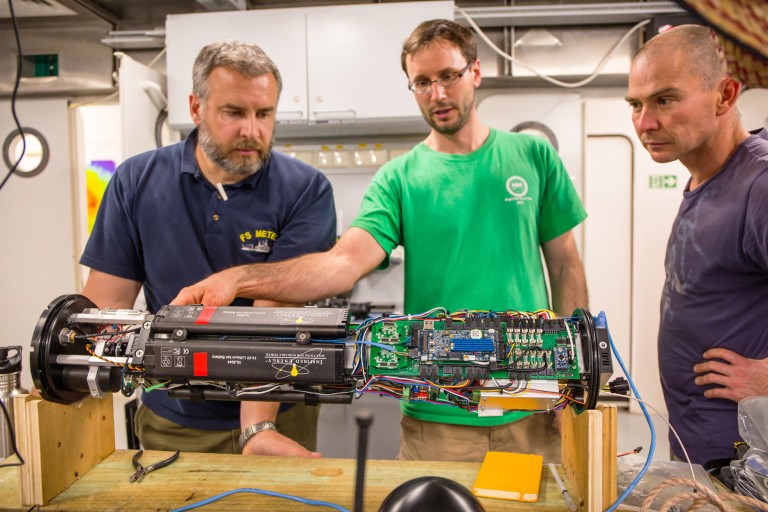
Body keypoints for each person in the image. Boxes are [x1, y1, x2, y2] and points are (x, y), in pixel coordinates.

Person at [173, 20, 588, 463]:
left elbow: (566, 268)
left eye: (448, 76)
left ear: (476, 72)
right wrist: (240, 279)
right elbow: (344, 264)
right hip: (439, 413)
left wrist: (575, 380)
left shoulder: (533, 156)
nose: (438, 94)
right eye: (422, 83)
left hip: (532, 402)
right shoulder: (399, 178)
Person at [79, 41, 336, 457]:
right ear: (196, 109)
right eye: (234, 112)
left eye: (264, 114)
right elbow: (106, 310)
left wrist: (257, 428)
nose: (252, 130)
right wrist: (71, 377)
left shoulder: (305, 189)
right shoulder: (135, 181)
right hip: (175, 418)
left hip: (279, 415)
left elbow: (278, 315)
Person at [625, 24, 768, 465]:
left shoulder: (759, 185)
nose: (645, 123)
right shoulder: (706, 180)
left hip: (750, 466)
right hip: (702, 456)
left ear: (725, 96)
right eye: (636, 104)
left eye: (665, 100)